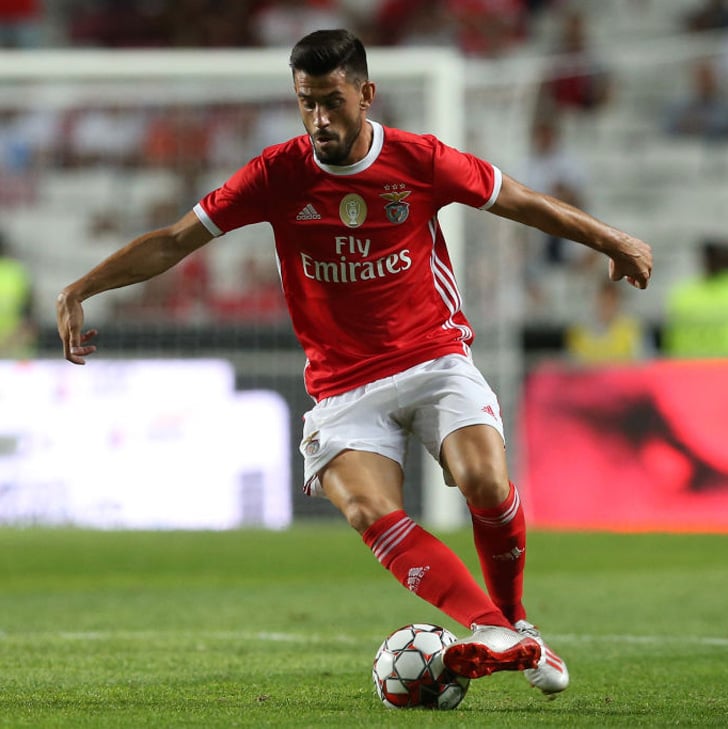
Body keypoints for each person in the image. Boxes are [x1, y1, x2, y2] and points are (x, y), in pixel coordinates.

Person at [56, 29, 652, 695]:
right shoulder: (277, 174)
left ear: (366, 95)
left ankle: (513, 620)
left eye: (332, 102)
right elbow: (172, 241)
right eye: (306, 103)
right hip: (342, 384)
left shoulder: (420, 160)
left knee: (483, 478)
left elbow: (522, 202)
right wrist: (81, 287)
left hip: (433, 354)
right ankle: (494, 627)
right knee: (369, 508)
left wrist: (614, 238)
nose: (319, 119)